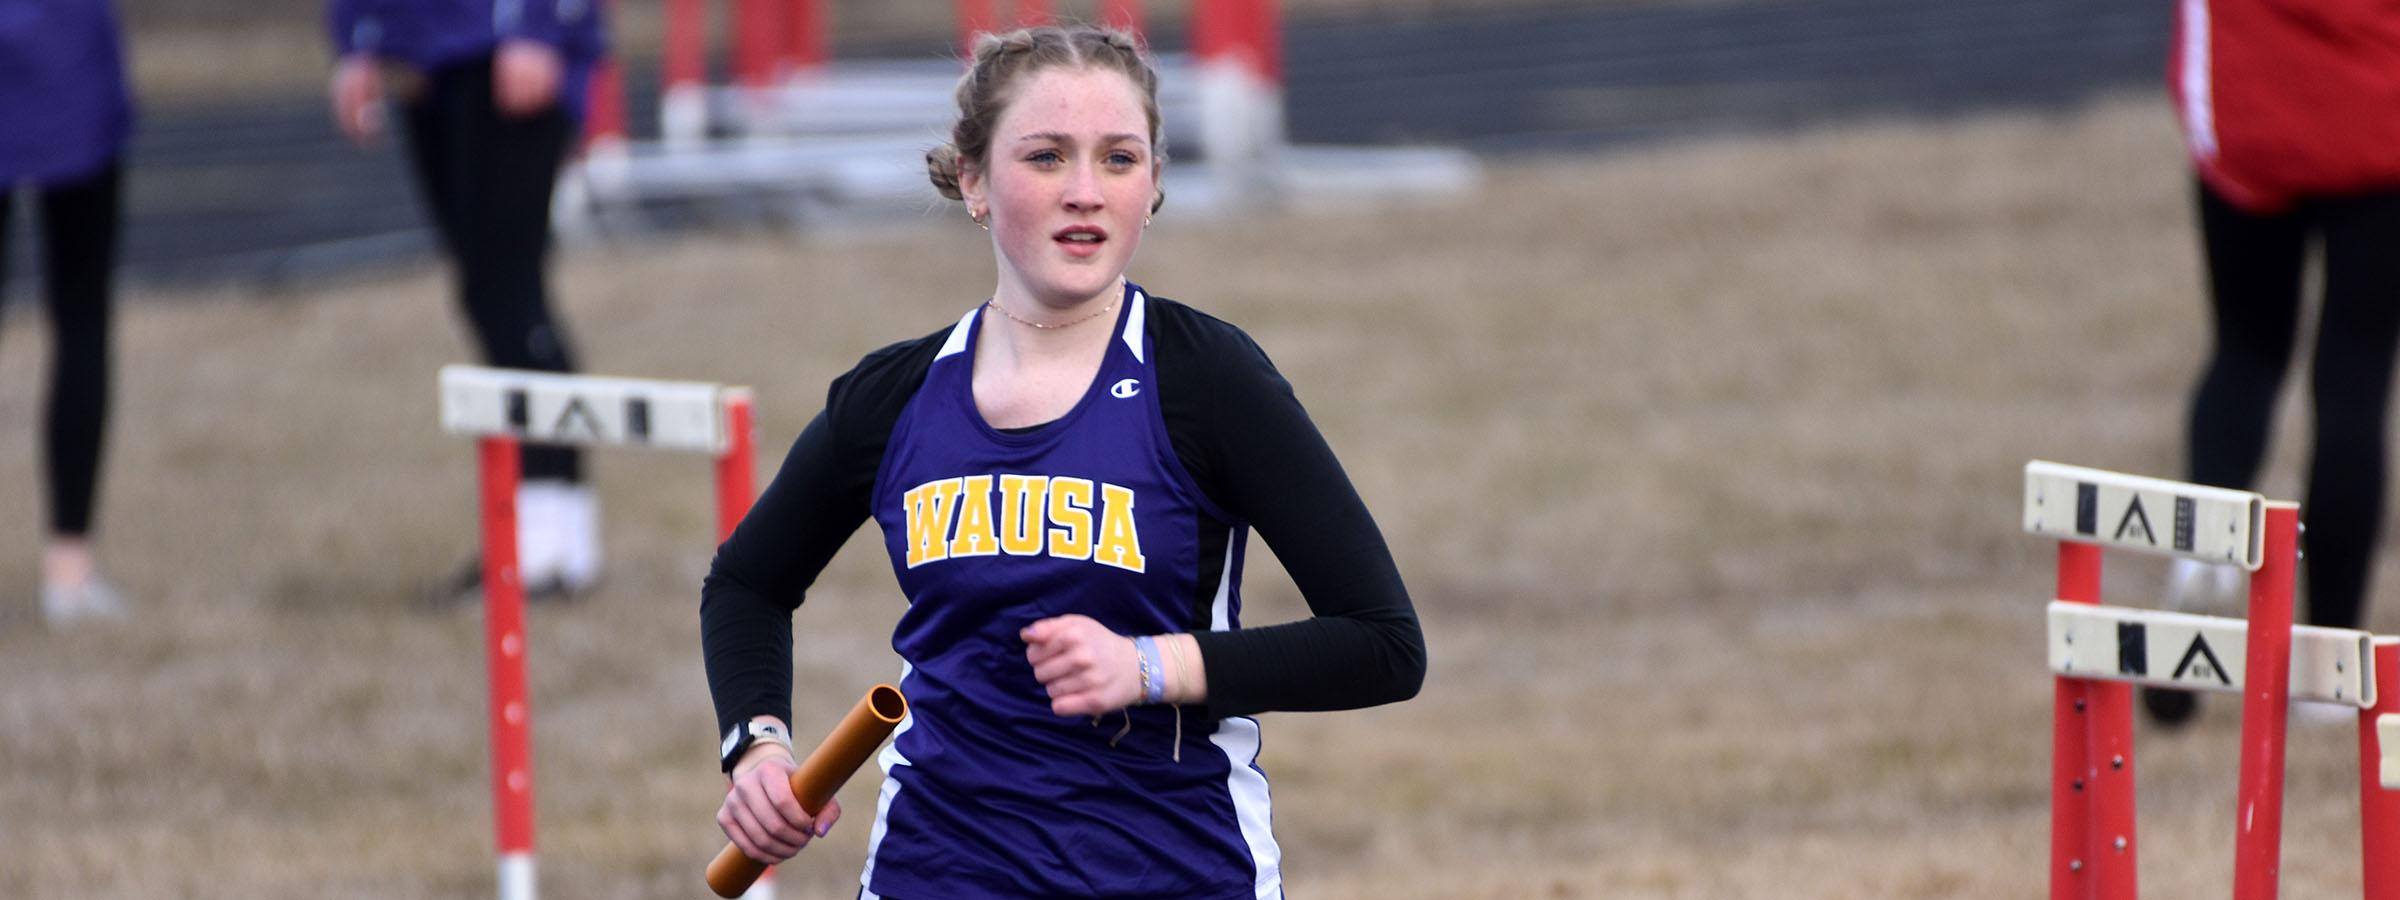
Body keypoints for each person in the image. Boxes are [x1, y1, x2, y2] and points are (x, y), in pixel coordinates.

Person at [701, 25, 1427, 899]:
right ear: (972, 178)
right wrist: (758, 744)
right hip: (937, 870)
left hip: (1177, 870)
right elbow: (746, 583)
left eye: (1119, 160)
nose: (1085, 192)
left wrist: (1152, 667)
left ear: (1154, 183)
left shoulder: (1207, 378)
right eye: (1046, 157)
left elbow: (1383, 644)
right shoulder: (893, 397)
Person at [2145, 0, 2400, 726]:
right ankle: (2326, 664)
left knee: (2245, 350)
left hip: (2246, 96)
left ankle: (2204, 554)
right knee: (2354, 381)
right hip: (2379, 110)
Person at [325, 0, 608, 598]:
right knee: (489, 293)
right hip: (425, 50)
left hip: (508, 41)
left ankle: (549, 542)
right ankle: (552, 539)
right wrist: (356, 38)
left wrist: (540, 26)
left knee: (508, 292)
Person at [0, 0, 135, 626]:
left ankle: (71, 571)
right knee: (82, 313)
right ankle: (69, 570)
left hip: (67, 62)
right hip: (70, 60)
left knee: (82, 314)